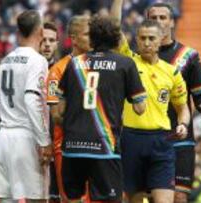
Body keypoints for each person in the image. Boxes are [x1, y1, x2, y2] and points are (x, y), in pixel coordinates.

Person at [58, 15, 146, 203]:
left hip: (73, 146)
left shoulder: (74, 63)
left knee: (72, 199)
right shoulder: (125, 64)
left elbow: (59, 110)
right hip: (104, 145)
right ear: (115, 37)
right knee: (110, 200)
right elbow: (140, 108)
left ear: (92, 37)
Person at [111, 1, 191, 203]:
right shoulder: (128, 62)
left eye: (151, 38)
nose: (146, 42)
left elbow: (182, 108)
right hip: (130, 139)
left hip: (161, 141)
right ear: (136, 40)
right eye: (143, 38)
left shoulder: (172, 72)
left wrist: (183, 124)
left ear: (160, 40)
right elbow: (114, 27)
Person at [146, 3, 201, 203]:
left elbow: (200, 96)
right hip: (147, 137)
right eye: (154, 18)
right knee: (147, 196)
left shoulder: (189, 56)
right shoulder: (137, 57)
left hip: (180, 137)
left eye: (163, 17)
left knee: (179, 196)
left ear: (172, 22)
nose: (158, 22)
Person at [0, 10, 52, 202]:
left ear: (18, 31)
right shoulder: (38, 60)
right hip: (25, 138)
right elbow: (31, 99)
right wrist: (44, 140)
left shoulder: (5, 60)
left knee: (5, 199)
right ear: (41, 32)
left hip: (2, 138)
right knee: (38, 199)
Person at [46, 15, 92, 202]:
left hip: (97, 144)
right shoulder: (57, 70)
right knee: (70, 199)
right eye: (88, 34)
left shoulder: (102, 65)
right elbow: (55, 114)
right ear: (73, 38)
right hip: (66, 146)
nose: (93, 38)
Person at [39, 21, 60, 203]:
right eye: (43, 39)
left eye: (51, 40)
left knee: (55, 196)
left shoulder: (64, 70)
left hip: (56, 141)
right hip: (31, 141)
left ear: (57, 44)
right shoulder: (27, 69)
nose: (47, 44)